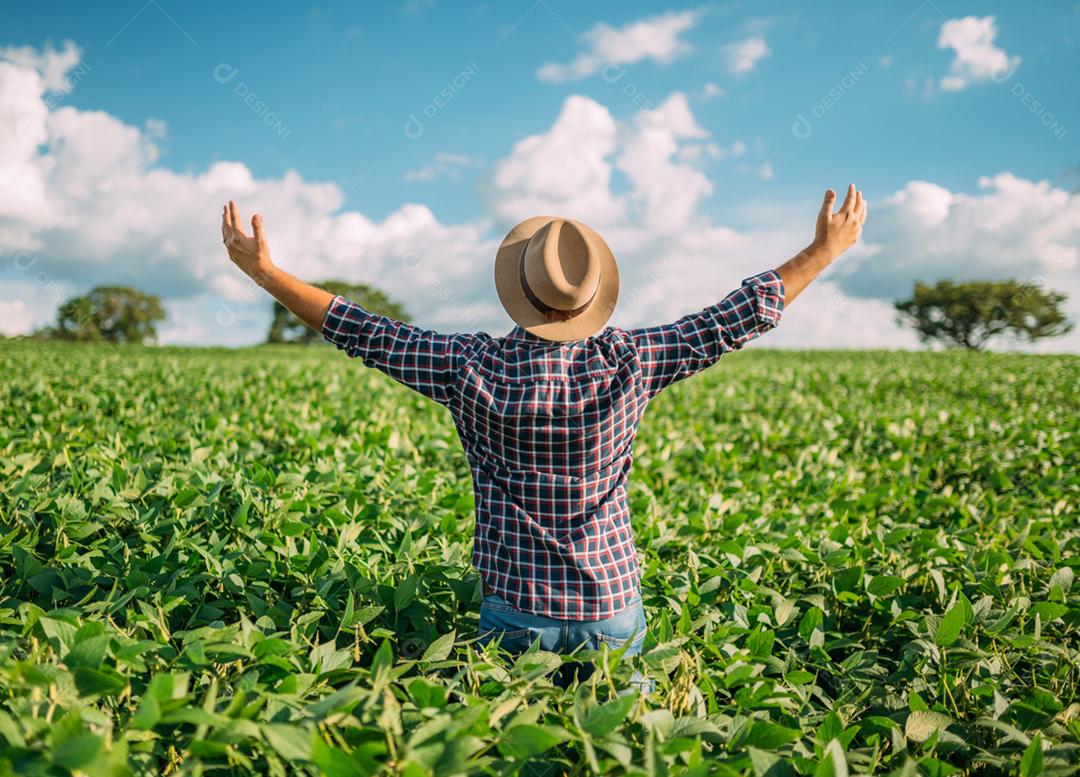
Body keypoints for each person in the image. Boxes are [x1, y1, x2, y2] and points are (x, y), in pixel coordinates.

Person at [220, 185, 867, 691]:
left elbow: (361, 329)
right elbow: (733, 317)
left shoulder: (465, 365)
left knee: (513, 750)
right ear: (590, 299)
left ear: (518, 293)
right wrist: (824, 251)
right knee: (617, 751)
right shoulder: (632, 360)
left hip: (516, 608)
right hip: (610, 603)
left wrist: (266, 274)